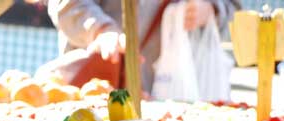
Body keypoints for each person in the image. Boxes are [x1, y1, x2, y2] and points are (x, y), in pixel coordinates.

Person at [46, 0, 240, 92]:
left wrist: (212, 9)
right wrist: (101, 30)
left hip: (170, 96)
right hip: (96, 87)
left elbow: (235, 10)